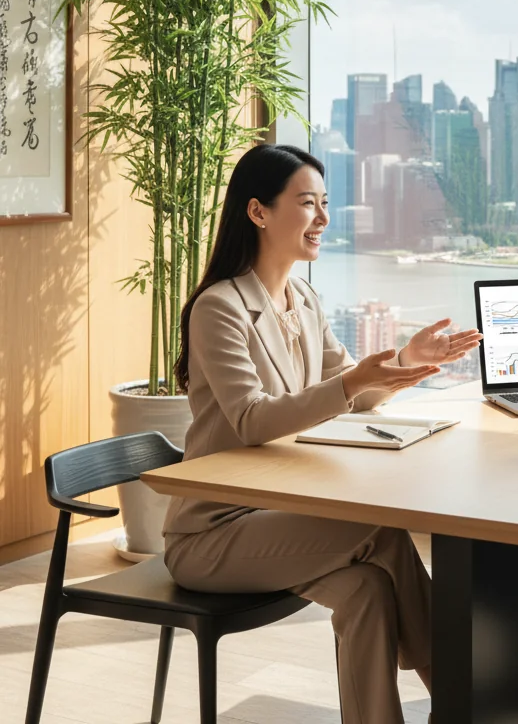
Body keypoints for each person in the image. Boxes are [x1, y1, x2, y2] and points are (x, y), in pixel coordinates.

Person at [163, 143, 482, 724]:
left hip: (280, 513)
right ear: (258, 212)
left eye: (326, 203)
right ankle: (459, 698)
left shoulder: (303, 298)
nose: (324, 219)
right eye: (308, 203)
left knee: (367, 592)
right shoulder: (219, 308)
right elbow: (253, 419)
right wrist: (351, 382)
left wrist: (406, 359)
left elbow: (350, 385)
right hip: (214, 534)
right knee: (382, 531)